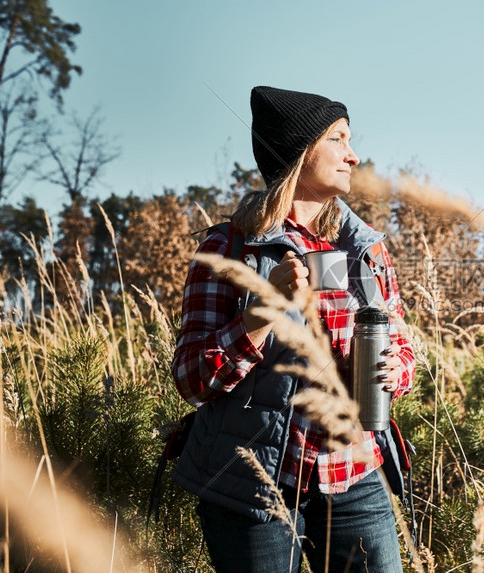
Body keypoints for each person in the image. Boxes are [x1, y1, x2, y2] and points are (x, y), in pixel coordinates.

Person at [171, 86, 415, 572]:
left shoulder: (365, 248)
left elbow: (402, 341)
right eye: (338, 139)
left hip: (354, 474)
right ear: (300, 153)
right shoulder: (229, 250)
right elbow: (190, 379)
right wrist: (258, 317)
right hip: (251, 485)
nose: (354, 154)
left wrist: (395, 368)